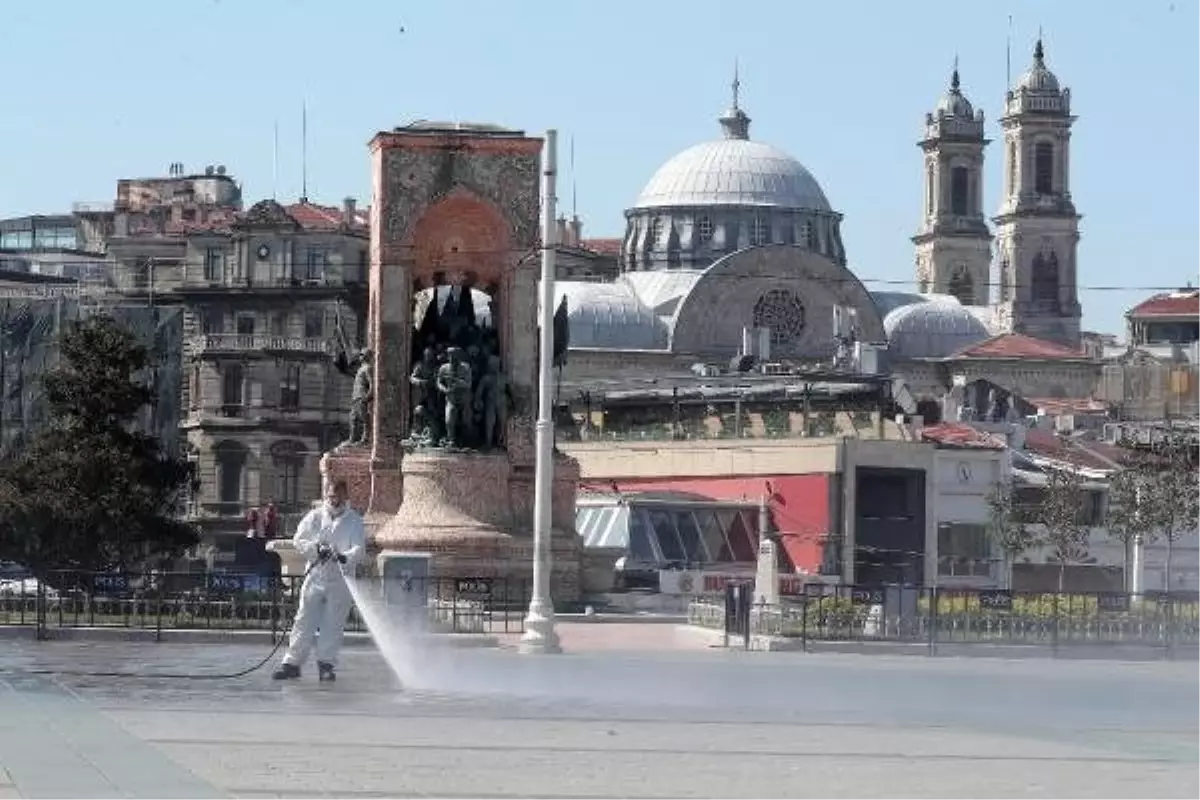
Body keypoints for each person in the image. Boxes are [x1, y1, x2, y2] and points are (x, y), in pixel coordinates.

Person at [272, 480, 366, 682]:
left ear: (345, 496)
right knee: (304, 619)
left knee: (333, 623)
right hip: (315, 576)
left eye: (339, 496)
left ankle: (326, 664)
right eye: (332, 496)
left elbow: (359, 549)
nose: (335, 500)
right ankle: (292, 663)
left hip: (340, 579)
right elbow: (299, 539)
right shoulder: (314, 517)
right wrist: (316, 550)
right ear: (326, 495)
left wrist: (343, 556)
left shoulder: (354, 520)